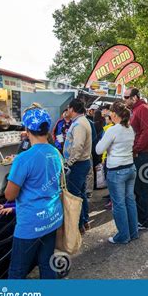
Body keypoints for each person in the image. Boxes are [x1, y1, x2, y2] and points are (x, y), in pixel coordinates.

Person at [5, 106, 63, 279]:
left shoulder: (23, 158)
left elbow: (10, 195)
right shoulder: (55, 152)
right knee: (47, 264)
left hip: (30, 222)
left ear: (27, 129)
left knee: (17, 271)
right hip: (52, 217)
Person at [96, 102, 138, 244]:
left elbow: (98, 150)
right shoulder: (130, 129)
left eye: (110, 113)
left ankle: (123, 236)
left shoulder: (112, 130)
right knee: (130, 201)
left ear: (114, 114)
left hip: (116, 170)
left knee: (119, 204)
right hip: (130, 167)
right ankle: (133, 232)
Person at [124, 87, 148, 231]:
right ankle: (142, 219)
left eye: (126, 97)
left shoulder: (142, 108)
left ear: (134, 97)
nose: (125, 100)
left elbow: (146, 132)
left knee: (142, 188)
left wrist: (135, 149)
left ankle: (146, 221)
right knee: (138, 188)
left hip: (142, 154)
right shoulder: (135, 109)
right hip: (138, 153)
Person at [63, 99, 92, 233]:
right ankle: (84, 221)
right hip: (81, 163)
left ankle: (79, 225)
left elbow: (78, 146)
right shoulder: (80, 122)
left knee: (75, 196)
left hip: (78, 164)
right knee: (81, 194)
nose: (67, 111)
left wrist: (69, 163)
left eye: (68, 108)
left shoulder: (79, 124)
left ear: (72, 109)